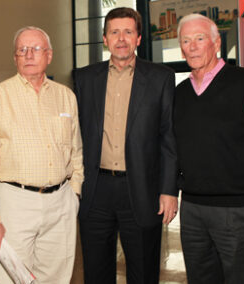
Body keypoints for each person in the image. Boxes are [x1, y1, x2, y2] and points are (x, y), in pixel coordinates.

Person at [74, 7, 178, 284]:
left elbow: (168, 137)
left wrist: (169, 190)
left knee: (143, 271)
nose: (121, 38)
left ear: (139, 39)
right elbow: (74, 136)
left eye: (128, 32)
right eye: (115, 32)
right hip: (96, 190)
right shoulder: (84, 79)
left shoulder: (161, 78)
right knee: (96, 273)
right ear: (105, 39)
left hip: (142, 189)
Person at [175, 13, 244, 284]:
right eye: (186, 41)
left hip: (238, 210)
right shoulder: (180, 93)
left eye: (200, 38)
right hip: (192, 209)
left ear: (216, 43)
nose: (193, 46)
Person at [0, 26, 83, 284]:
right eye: (22, 50)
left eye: (36, 49)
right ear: (15, 58)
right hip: (14, 204)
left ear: (49, 55)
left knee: (56, 278)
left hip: (61, 204)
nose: (29, 54)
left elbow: (76, 152)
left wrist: (74, 194)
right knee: (14, 278)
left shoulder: (66, 97)